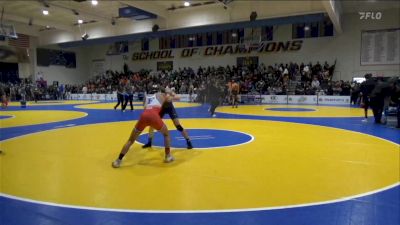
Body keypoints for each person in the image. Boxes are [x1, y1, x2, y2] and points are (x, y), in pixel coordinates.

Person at [112, 86, 174, 168]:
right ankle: (167, 156)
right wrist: (170, 92)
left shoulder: (146, 97)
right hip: (154, 116)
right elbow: (171, 99)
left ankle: (118, 161)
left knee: (131, 140)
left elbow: (145, 108)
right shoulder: (160, 95)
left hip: (144, 116)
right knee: (166, 134)